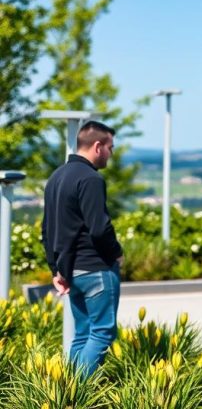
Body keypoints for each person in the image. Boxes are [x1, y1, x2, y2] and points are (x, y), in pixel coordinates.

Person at [41, 120, 124, 376]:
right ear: (98, 146)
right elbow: (99, 228)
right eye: (111, 147)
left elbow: (47, 229)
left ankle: (66, 392)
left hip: (71, 271)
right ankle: (79, 394)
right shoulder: (90, 179)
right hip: (96, 268)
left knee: (83, 333)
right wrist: (116, 253)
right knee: (101, 334)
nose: (111, 154)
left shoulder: (57, 177)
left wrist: (56, 269)